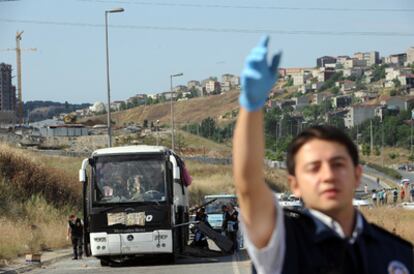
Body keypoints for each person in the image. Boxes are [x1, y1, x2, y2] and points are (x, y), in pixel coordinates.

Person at [232, 36, 413, 274]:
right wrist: (251, 107)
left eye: (338, 164)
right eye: (313, 167)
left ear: (357, 175)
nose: (328, 176)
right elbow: (249, 185)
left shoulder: (396, 254)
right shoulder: (283, 242)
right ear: (294, 183)